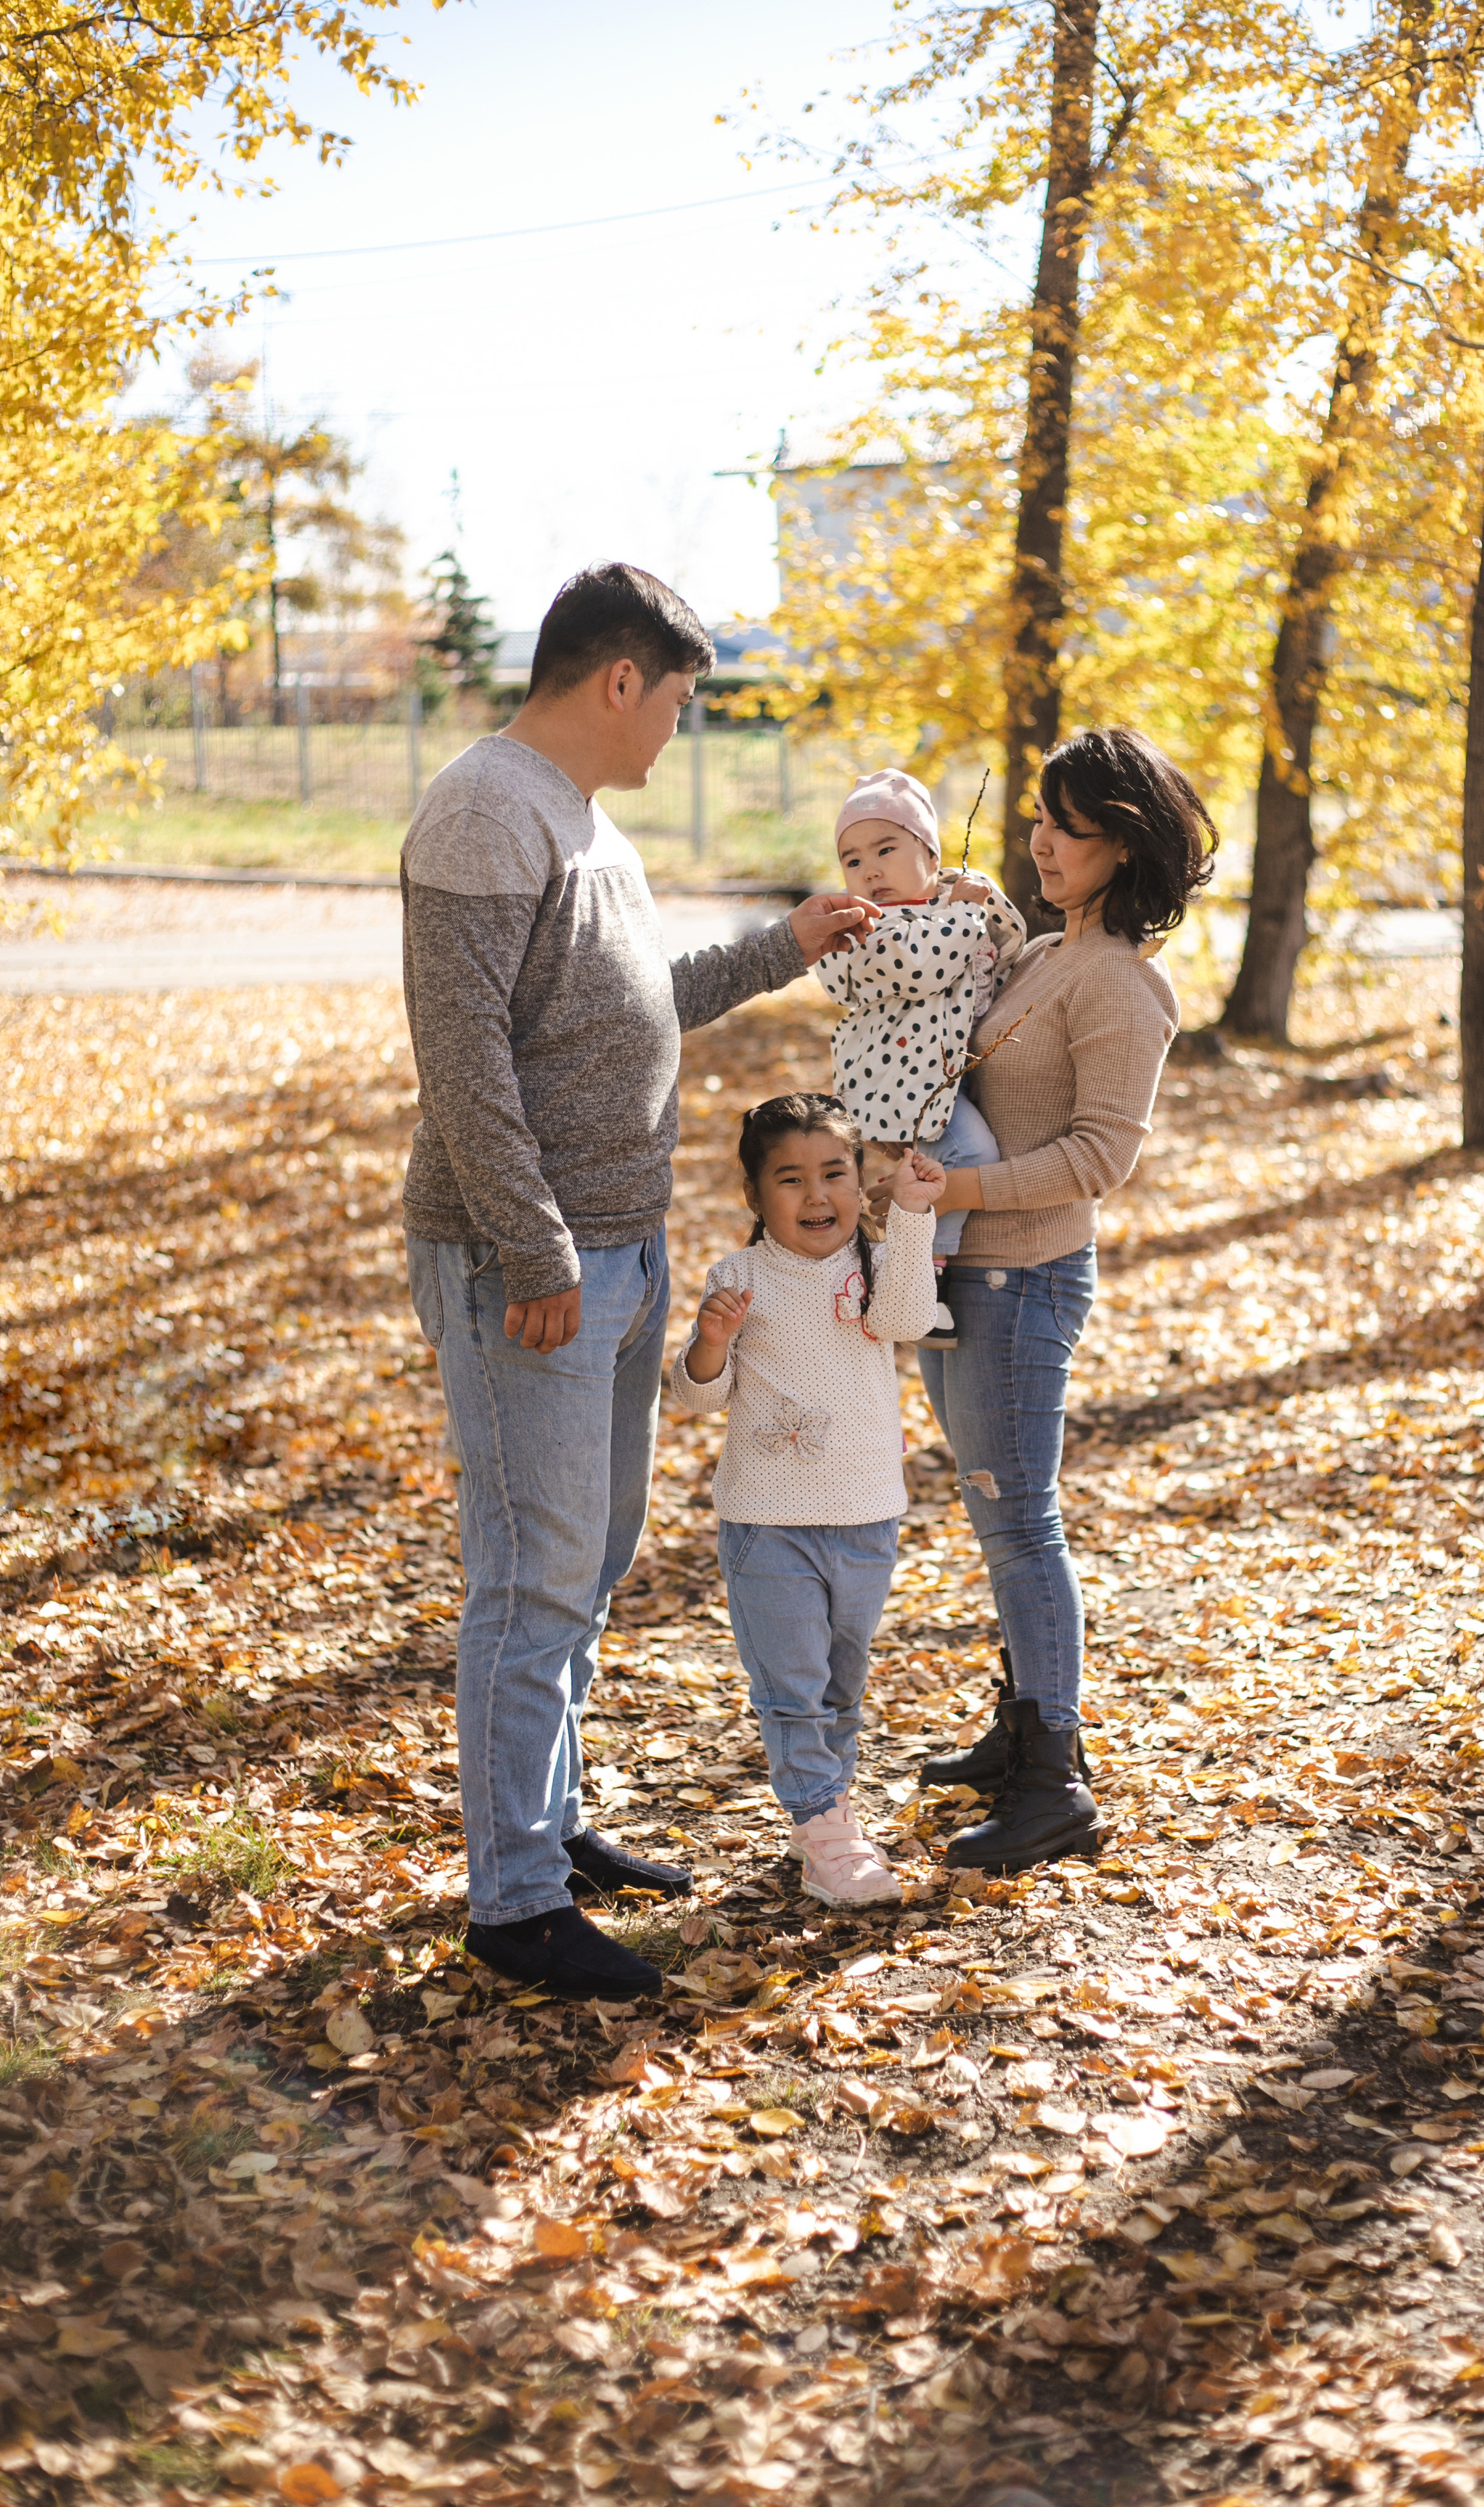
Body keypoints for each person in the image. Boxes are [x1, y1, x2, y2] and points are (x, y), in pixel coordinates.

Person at [399, 563, 878, 2000]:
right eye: (677, 698)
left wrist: (784, 948)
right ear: (621, 680)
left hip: (618, 1247)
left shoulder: (584, 824)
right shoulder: (484, 807)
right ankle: (514, 1903)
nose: (678, 727)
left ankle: (548, 1824)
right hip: (526, 1259)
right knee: (531, 1576)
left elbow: (631, 1011)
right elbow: (464, 1054)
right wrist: (533, 1245)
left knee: (587, 1563)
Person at [896, 728, 1217, 1874]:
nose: (1040, 840)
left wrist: (959, 1187)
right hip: (961, 1268)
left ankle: (1055, 1783)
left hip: (1025, 1277)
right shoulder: (1044, 953)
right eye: (1036, 817)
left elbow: (1098, 1157)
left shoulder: (1125, 985)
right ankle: (1019, 1723)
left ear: (1122, 846)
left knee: (1023, 1519)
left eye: (1064, 827)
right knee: (995, 1516)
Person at [669, 1095, 942, 1906]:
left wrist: (916, 1216)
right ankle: (825, 1829)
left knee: (840, 1685)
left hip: (866, 1515)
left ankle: (829, 1812)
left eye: (835, 1175)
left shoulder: (880, 1266)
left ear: (862, 1183)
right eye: (790, 1180)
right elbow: (696, 1400)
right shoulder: (739, 1277)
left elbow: (907, 1319)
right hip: (767, 1524)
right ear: (755, 1197)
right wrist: (709, 1344)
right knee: (792, 1687)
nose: (816, 1196)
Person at [816, 768, 1024, 1348]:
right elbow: (921, 965)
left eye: (886, 849)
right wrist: (961, 912)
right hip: (891, 1082)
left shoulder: (944, 909)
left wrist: (973, 894)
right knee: (970, 1153)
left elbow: (1009, 941)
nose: (871, 869)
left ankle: (901, 1275)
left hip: (933, 1079)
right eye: (853, 860)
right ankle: (918, 1283)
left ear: (930, 853)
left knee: (927, 1172)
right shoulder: (865, 927)